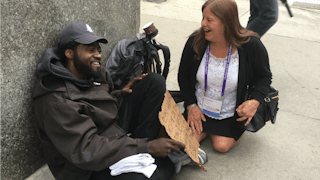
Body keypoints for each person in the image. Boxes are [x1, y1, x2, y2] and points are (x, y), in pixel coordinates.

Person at [33, 22, 186, 180]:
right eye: (90, 50)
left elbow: (97, 104)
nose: (98, 55)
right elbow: (87, 151)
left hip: (112, 132)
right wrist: (146, 147)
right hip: (86, 165)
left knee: (154, 82)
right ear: (69, 53)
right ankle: (160, 159)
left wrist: (119, 94)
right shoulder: (56, 102)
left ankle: (147, 156)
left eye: (98, 50)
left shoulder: (93, 72)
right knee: (148, 177)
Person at [178, 0, 272, 153]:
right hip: (199, 108)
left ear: (226, 22)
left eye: (209, 20)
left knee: (221, 146)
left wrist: (255, 102)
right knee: (185, 143)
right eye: (203, 18)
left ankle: (225, 131)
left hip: (230, 112)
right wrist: (191, 105)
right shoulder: (196, 41)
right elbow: (183, 76)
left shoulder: (251, 44)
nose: (203, 24)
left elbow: (264, 78)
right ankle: (203, 128)